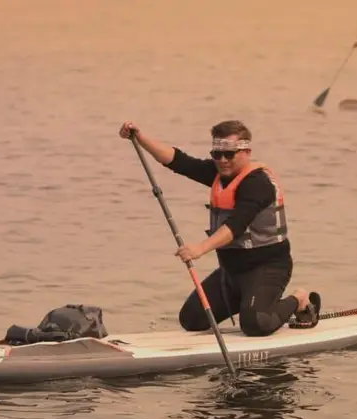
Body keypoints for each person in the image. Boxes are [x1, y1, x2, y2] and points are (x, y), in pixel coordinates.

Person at [117, 119, 321, 337]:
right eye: (217, 154)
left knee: (255, 325)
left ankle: (299, 300)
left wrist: (200, 249)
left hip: (267, 268)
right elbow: (178, 161)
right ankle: (250, 303)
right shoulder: (217, 173)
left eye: (229, 154)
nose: (222, 160)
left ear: (246, 151)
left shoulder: (258, 184)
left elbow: (235, 226)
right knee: (191, 320)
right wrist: (139, 138)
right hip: (231, 272)